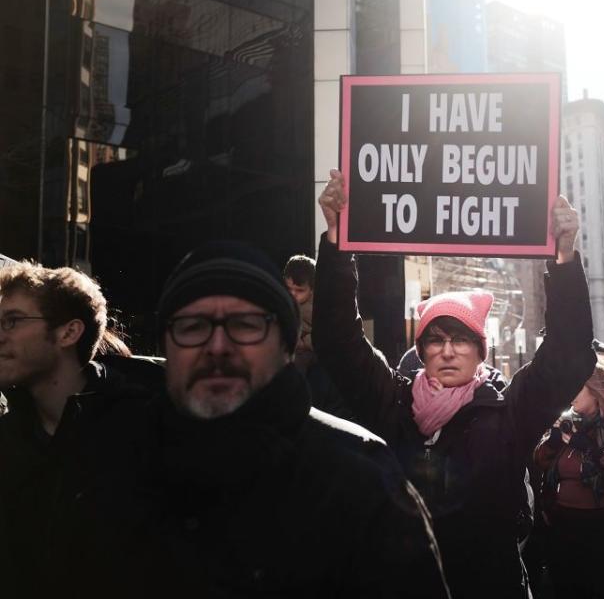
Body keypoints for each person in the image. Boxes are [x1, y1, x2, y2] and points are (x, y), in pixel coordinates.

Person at [107, 242, 448, 597]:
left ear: (286, 346)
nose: (218, 346)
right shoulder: (106, 467)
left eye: (245, 325)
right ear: (166, 344)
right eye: (193, 327)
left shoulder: (361, 483)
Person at [313, 170, 596, 599]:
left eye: (461, 340)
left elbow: (569, 354)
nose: (448, 351)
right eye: (435, 340)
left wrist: (564, 259)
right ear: (421, 352)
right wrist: (335, 242)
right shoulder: (394, 402)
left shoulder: (509, 412)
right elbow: (338, 341)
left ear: (480, 351)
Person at [0, 262, 163, 597]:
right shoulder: (8, 437)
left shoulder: (141, 428)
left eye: (12, 321)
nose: (0, 334)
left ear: (68, 333)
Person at [535, 361, 604, 599]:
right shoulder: (569, 424)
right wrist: (553, 442)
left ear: (596, 391)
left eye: (576, 387)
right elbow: (540, 462)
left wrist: (593, 450)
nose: (569, 394)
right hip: (565, 524)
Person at [282, 254, 354, 419]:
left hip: (312, 356)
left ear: (313, 289)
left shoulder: (315, 308)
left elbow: (322, 335)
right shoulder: (288, 304)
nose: (293, 295)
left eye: (299, 291)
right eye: (289, 289)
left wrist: (301, 342)